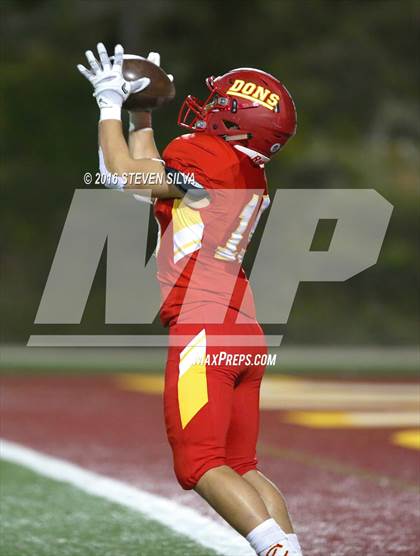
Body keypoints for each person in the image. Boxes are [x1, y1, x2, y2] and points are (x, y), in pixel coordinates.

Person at [78, 42, 302, 556]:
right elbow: (153, 179)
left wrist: (108, 101)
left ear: (237, 122)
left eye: (220, 106)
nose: (208, 109)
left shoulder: (206, 156)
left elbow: (122, 177)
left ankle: (277, 551)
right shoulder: (248, 172)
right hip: (243, 329)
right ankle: (291, 550)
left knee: (198, 463)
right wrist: (141, 114)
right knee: (242, 467)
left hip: (203, 324)